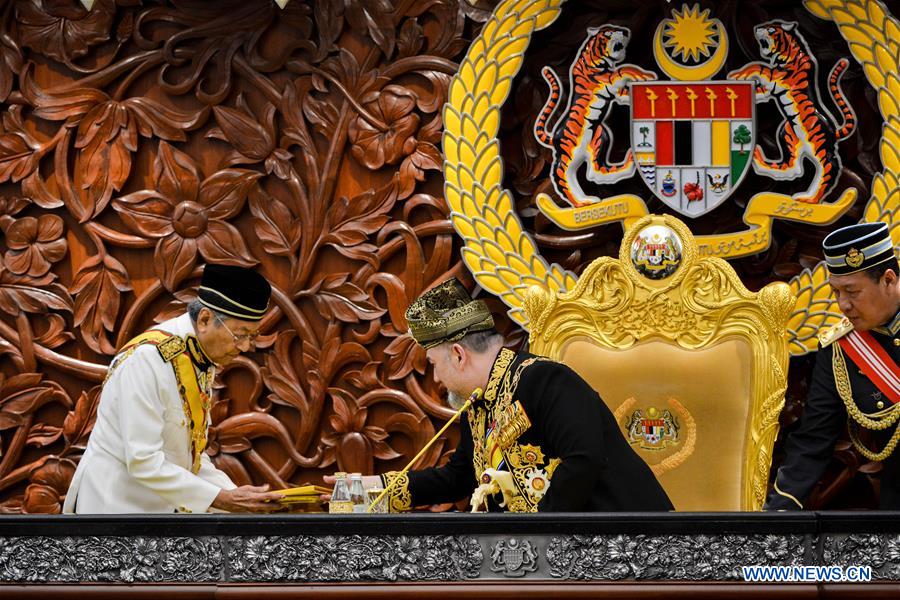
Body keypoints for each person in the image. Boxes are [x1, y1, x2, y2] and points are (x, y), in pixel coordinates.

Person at [334, 278, 673, 512]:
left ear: (458, 355)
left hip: (627, 548)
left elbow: (584, 461)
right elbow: (458, 478)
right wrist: (370, 489)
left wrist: (534, 536)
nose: (436, 379)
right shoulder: (480, 404)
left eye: (434, 364)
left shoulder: (544, 379)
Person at [64, 264, 284, 513]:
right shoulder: (147, 360)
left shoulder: (197, 356)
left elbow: (190, 457)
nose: (244, 347)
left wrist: (239, 498)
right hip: (113, 511)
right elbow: (143, 461)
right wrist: (222, 499)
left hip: (157, 513)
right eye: (240, 335)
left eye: (252, 337)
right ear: (205, 319)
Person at [767, 221, 899, 509]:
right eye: (836, 292)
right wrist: (777, 514)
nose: (842, 304)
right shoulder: (841, 350)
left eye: (852, 291)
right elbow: (813, 441)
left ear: (888, 280)